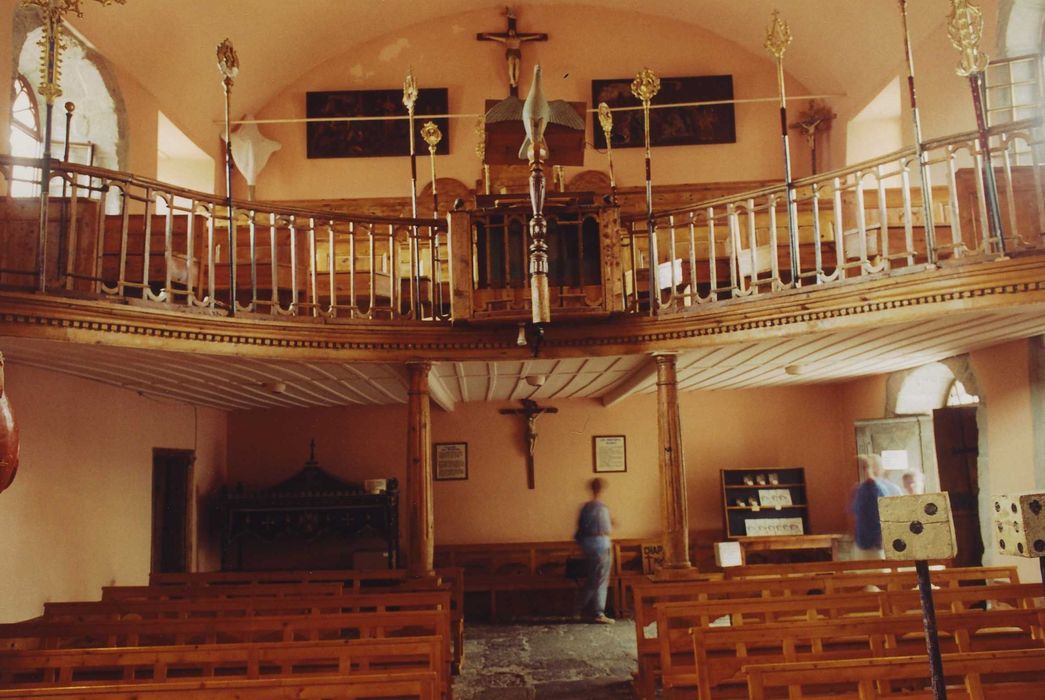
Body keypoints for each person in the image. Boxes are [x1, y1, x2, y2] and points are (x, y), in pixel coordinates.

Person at [574, 477, 614, 623]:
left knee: (592, 579)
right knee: (600, 580)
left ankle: (579, 609)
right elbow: (606, 528)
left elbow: (580, 530)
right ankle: (598, 613)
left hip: (589, 545)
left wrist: (582, 545)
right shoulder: (601, 508)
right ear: (601, 490)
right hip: (601, 546)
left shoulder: (586, 508)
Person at [849, 454, 902, 559]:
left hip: (876, 544)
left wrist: (884, 538)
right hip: (861, 541)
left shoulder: (879, 488)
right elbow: (855, 514)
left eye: (863, 467)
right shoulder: (859, 489)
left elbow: (888, 515)